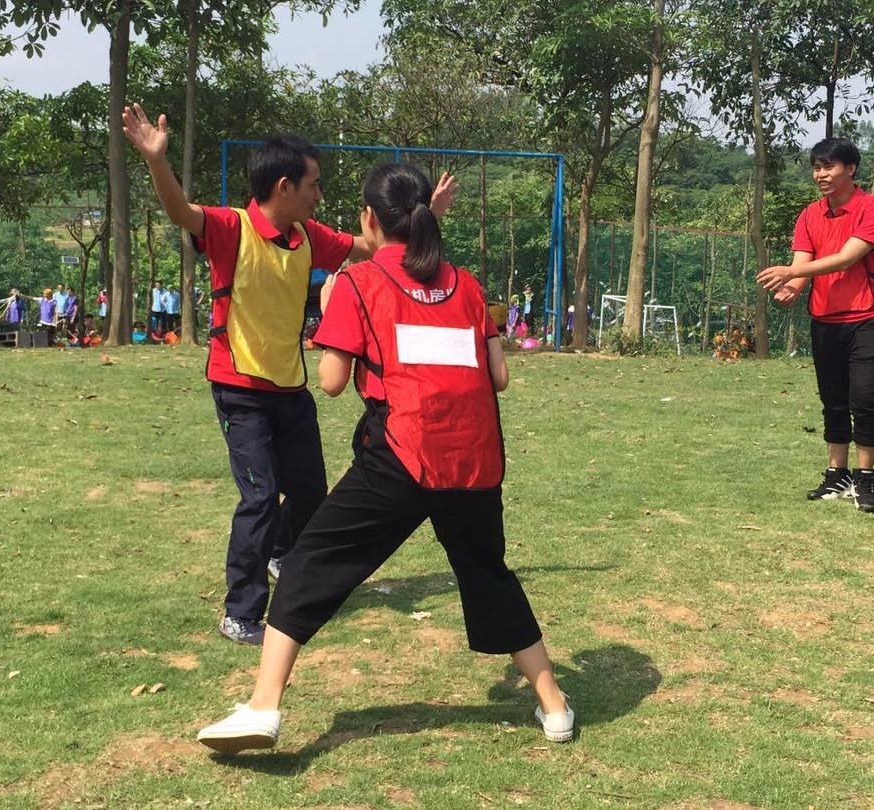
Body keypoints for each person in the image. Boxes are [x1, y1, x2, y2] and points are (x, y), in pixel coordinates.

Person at [195, 162, 572, 755]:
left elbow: (330, 382)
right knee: (488, 574)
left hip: (400, 456)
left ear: (369, 218)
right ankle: (554, 705)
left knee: (307, 563)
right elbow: (499, 377)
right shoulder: (467, 285)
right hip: (473, 461)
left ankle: (263, 707)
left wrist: (330, 309)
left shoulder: (358, 282)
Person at [122, 102, 456, 645]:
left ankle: (280, 553)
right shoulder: (231, 228)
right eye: (314, 184)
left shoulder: (307, 236)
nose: (319, 195)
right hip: (239, 390)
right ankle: (241, 612)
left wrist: (425, 216)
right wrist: (157, 161)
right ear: (284, 186)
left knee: (310, 493)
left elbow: (375, 246)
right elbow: (181, 211)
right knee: (259, 498)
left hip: (292, 391)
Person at [756, 137, 874, 513]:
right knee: (833, 400)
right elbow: (803, 261)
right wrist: (792, 287)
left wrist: (791, 272)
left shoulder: (873, 209)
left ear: (850, 169)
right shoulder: (809, 215)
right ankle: (837, 475)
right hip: (825, 319)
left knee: (864, 399)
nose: (821, 174)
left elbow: (847, 258)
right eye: (817, 168)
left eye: (829, 167)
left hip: (868, 317)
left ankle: (865, 480)